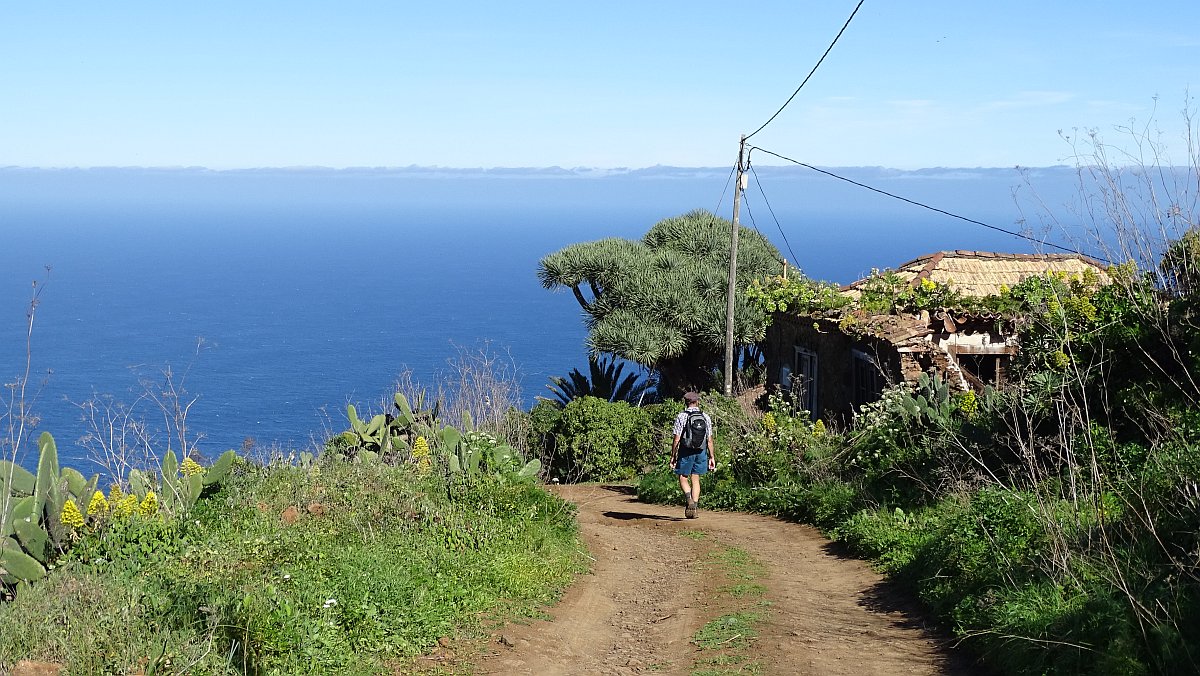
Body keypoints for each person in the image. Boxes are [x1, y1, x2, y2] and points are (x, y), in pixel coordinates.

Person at [670, 391, 715, 519]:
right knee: (696, 479)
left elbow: (677, 439)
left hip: (686, 451)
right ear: (697, 402)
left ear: (686, 402)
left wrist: (673, 455)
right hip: (701, 451)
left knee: (683, 477)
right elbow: (709, 439)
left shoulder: (681, 416)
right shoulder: (705, 416)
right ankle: (694, 508)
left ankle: (689, 499)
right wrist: (712, 457)